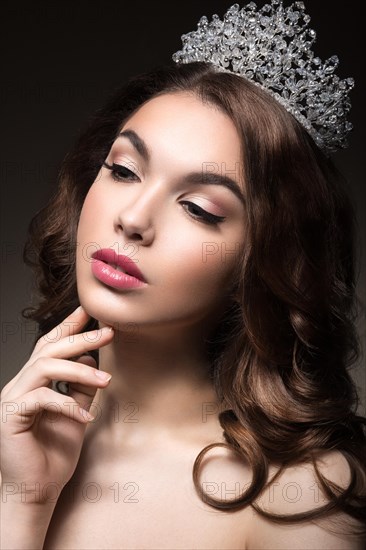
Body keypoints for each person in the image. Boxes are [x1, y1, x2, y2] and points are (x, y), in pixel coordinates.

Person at [1, 1, 365, 548]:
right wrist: (24, 502)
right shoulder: (12, 446)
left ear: (261, 260)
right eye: (123, 170)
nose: (133, 219)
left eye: (198, 208)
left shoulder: (304, 494)